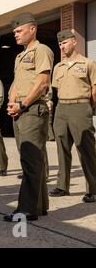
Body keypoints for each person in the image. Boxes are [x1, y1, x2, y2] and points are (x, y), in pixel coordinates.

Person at [4, 13, 52, 222]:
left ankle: (26, 209)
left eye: (19, 30)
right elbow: (16, 82)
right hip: (21, 110)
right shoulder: (20, 56)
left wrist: (22, 104)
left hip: (32, 109)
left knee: (30, 160)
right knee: (33, 160)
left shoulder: (41, 50)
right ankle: (39, 206)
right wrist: (12, 102)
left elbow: (42, 82)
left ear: (32, 29)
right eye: (14, 32)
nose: (15, 35)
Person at [49, 29, 96, 203]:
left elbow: (94, 89)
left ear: (74, 42)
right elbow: (56, 89)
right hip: (62, 108)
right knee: (62, 148)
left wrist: (89, 109)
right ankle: (62, 186)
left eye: (65, 43)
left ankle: (93, 188)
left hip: (80, 106)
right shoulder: (58, 67)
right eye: (60, 44)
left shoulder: (88, 63)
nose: (62, 47)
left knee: (86, 149)